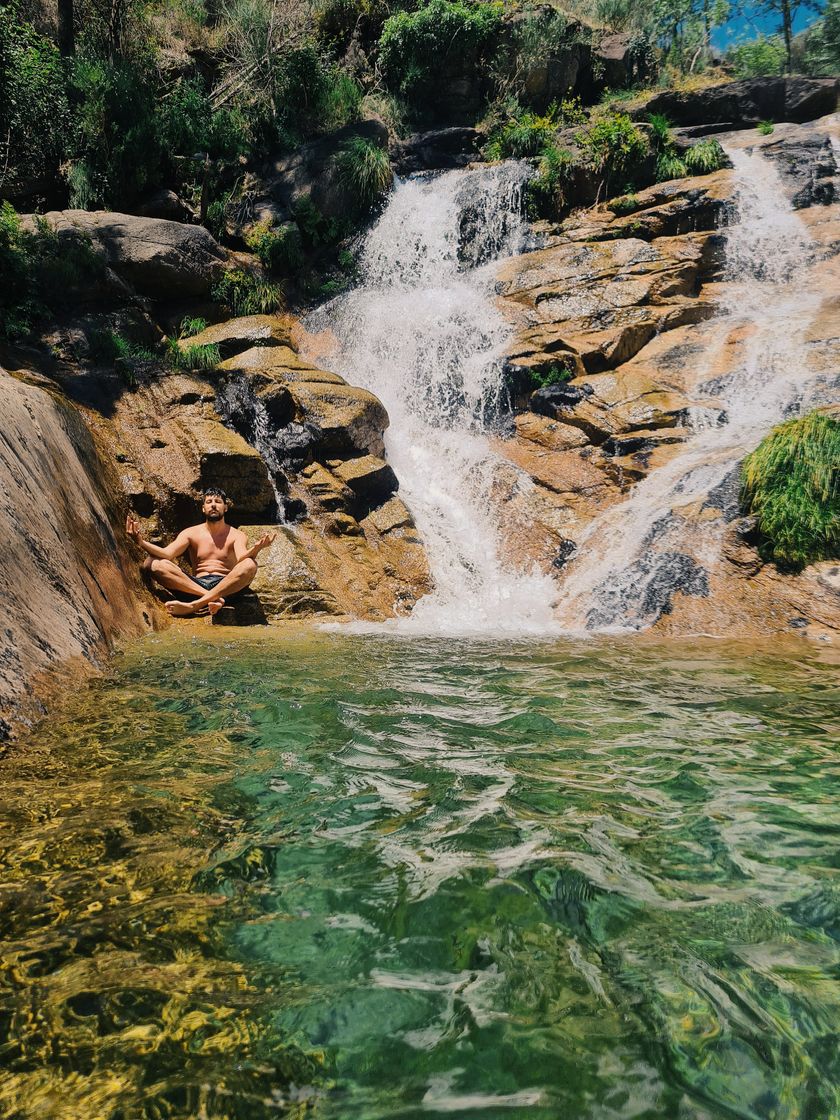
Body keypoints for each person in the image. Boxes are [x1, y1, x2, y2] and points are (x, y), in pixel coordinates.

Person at [126, 487, 276, 617]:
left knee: (250, 564)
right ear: (203, 508)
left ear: (225, 508)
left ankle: (194, 606)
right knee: (152, 562)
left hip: (226, 586)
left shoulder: (237, 534)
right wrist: (140, 542)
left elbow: (242, 558)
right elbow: (167, 554)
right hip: (194, 585)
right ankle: (211, 599)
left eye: (218, 502)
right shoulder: (191, 533)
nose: (213, 505)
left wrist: (257, 549)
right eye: (209, 502)